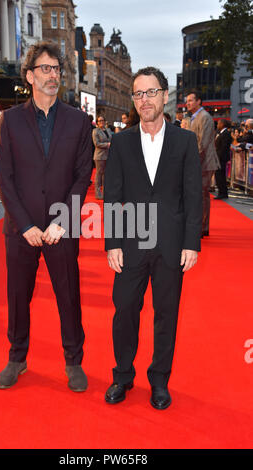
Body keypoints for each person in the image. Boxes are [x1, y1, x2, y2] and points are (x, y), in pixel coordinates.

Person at [0, 40, 92, 392]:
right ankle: (17, 357)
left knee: (69, 295)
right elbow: (4, 177)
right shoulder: (11, 120)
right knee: (18, 295)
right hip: (21, 229)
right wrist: (26, 225)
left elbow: (83, 175)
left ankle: (73, 360)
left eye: (57, 69)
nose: (53, 75)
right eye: (45, 69)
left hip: (61, 227)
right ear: (29, 75)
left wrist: (62, 220)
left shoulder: (79, 122)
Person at [104, 66, 202, 410]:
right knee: (125, 311)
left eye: (151, 92)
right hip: (130, 243)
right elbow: (112, 194)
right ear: (134, 99)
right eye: (138, 93)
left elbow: (193, 196)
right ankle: (122, 376)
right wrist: (112, 242)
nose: (144, 99)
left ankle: (159, 380)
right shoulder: (121, 141)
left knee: (166, 314)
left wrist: (192, 242)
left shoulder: (185, 141)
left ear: (163, 94)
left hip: (171, 246)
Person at [186, 92, 219, 238]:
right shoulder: (193, 118)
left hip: (204, 162)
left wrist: (192, 162)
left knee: (201, 195)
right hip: (199, 161)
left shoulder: (204, 117)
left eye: (191, 100)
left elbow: (203, 143)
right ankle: (201, 226)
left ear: (199, 101)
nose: (188, 103)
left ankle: (201, 227)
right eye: (187, 101)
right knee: (200, 195)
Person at [92, 115, 112, 199]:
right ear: (97, 122)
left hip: (108, 155)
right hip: (99, 156)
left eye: (103, 120)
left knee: (106, 175)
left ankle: (105, 192)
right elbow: (96, 143)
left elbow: (112, 139)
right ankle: (98, 193)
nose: (101, 122)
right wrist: (107, 144)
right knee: (99, 174)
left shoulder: (108, 130)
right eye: (99, 121)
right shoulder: (95, 131)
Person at [214, 119, 232, 199]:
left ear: (222, 124)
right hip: (218, 157)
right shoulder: (221, 133)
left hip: (221, 158)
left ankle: (223, 192)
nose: (217, 125)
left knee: (220, 175)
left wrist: (218, 157)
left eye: (218, 124)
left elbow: (224, 147)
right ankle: (221, 192)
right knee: (218, 175)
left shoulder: (226, 134)